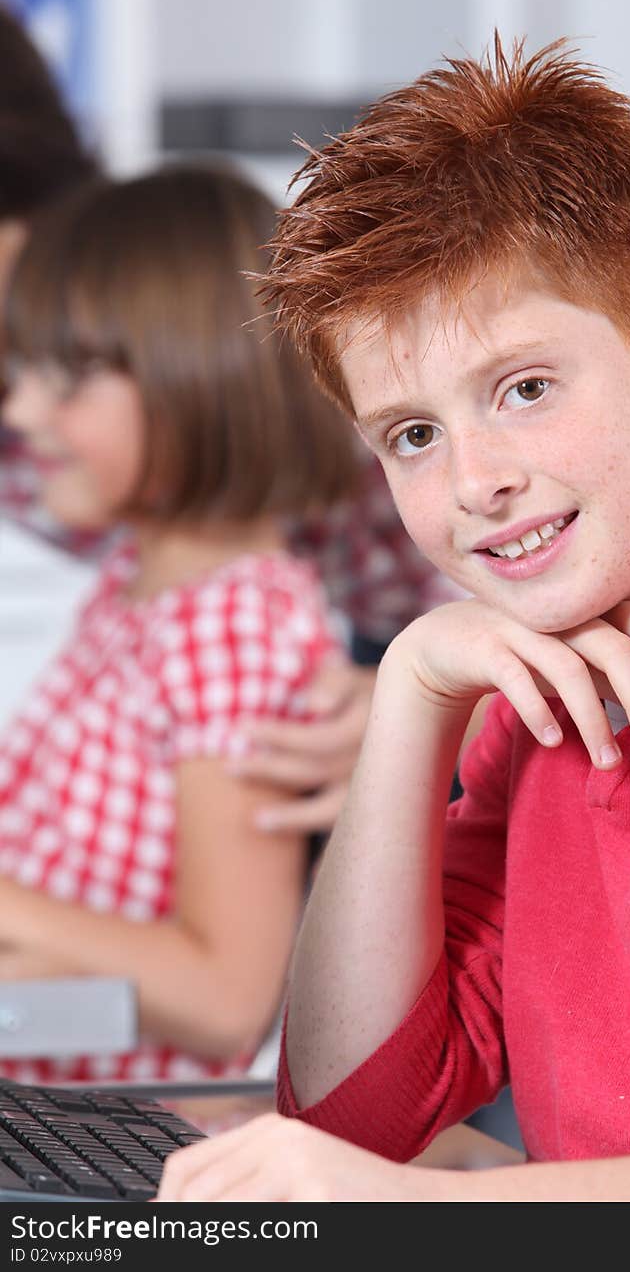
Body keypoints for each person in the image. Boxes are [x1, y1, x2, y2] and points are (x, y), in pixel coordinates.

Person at [155, 35, 630, 1203]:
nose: (474, 480)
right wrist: (415, 692)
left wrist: (420, 1210)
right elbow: (352, 1109)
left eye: (524, 388)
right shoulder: (550, 679)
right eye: (412, 434)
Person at [0, 162, 355, 1084]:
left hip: (127, 1148)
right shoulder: (136, 577)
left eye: (68, 378)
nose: (22, 410)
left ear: (198, 381)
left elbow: (225, 997)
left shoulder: (231, 628)